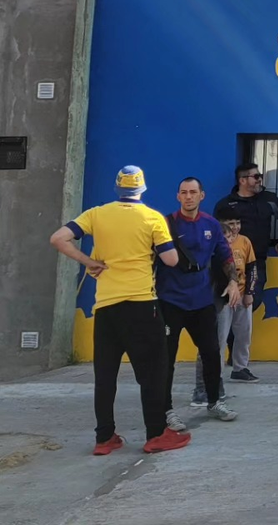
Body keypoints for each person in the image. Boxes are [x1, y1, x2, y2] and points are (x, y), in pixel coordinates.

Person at [49, 166, 191, 454]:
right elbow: (172, 260)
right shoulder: (153, 217)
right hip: (142, 305)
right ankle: (155, 434)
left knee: (105, 376)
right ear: (142, 188)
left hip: (106, 307)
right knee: (152, 372)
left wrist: (89, 262)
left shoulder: (96, 214)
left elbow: (58, 238)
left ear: (117, 187)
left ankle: (104, 438)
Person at [159, 177, 241, 430]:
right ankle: (165, 410)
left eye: (193, 192)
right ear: (178, 196)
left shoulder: (211, 224)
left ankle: (214, 402)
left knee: (211, 353)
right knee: (165, 359)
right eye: (183, 192)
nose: (188, 197)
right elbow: (150, 258)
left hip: (202, 300)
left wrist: (233, 282)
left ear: (201, 196)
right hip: (170, 300)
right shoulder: (165, 224)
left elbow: (225, 256)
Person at [214, 161, 278, 314]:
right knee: (225, 303)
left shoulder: (268, 199)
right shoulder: (225, 204)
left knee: (253, 301)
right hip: (230, 261)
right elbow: (216, 230)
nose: (259, 180)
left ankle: (238, 330)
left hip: (257, 261)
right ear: (242, 180)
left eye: (260, 176)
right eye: (256, 176)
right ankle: (227, 331)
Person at [194, 215, 258, 397]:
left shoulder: (244, 242)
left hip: (241, 294)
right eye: (230, 226)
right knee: (218, 339)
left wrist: (249, 292)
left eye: (237, 224)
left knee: (244, 333)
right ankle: (216, 377)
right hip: (221, 298)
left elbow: (252, 268)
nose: (232, 234)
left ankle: (240, 367)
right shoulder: (212, 252)